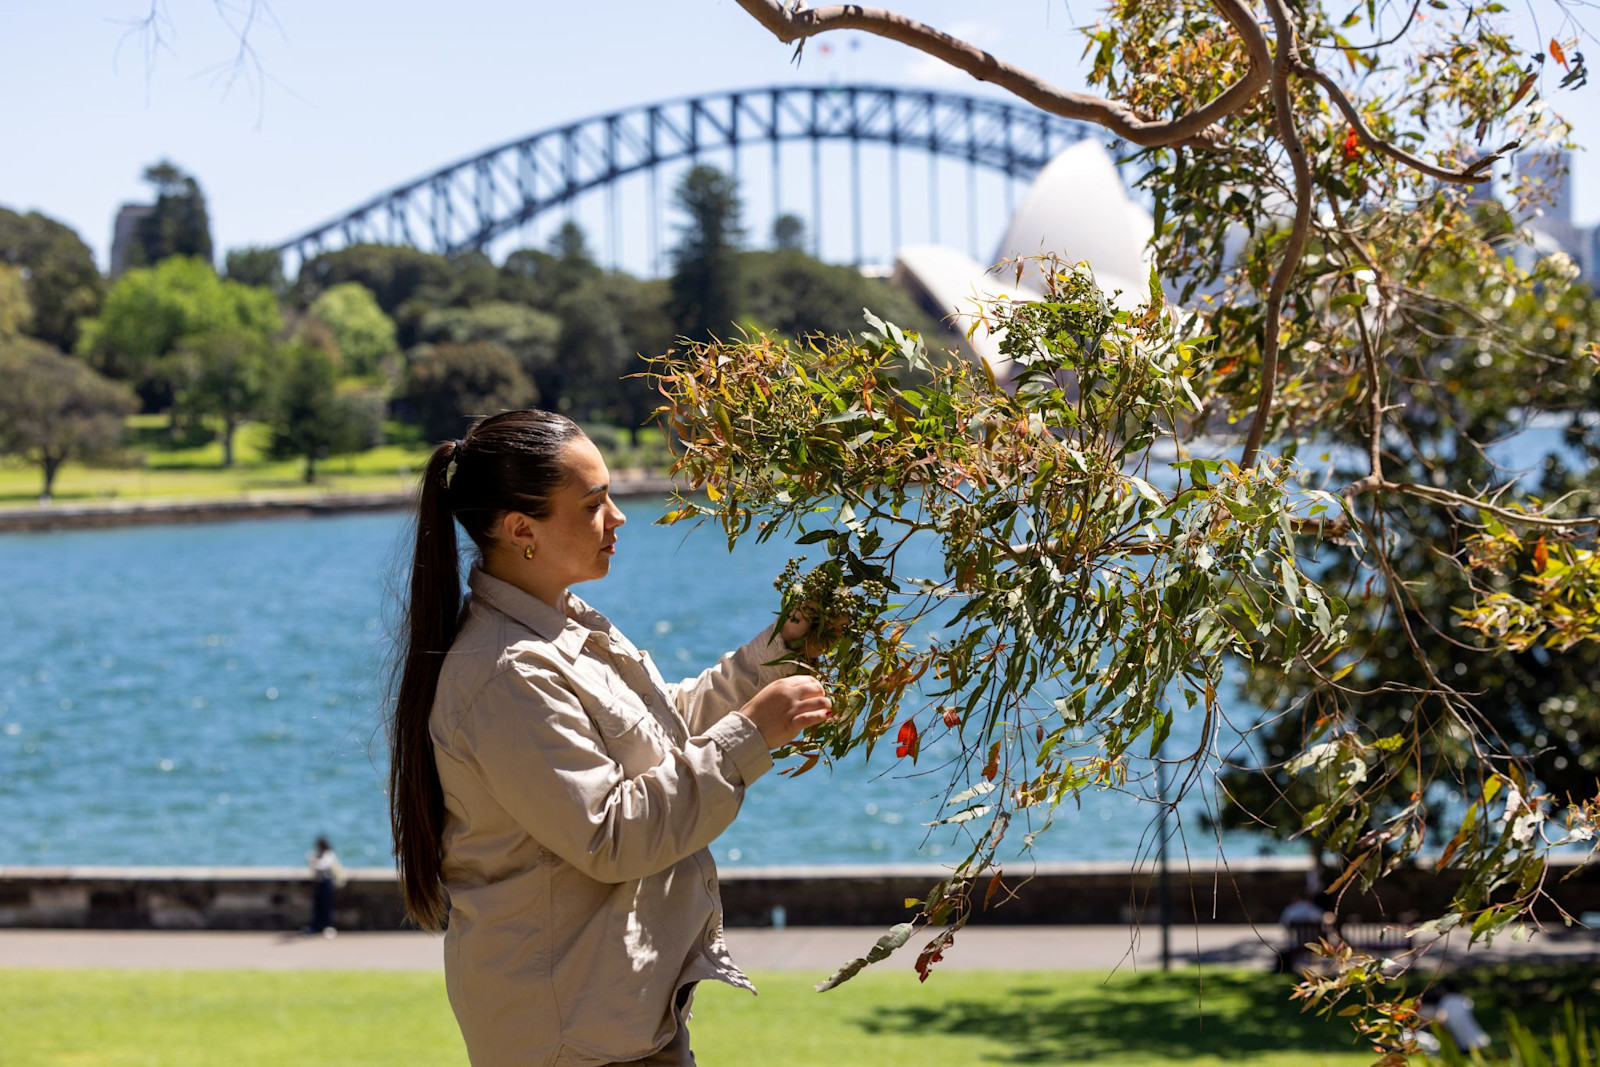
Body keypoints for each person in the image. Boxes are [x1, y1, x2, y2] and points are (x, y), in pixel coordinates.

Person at [387, 409, 830, 1066]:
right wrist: (752, 733)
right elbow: (610, 832)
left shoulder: (559, 628)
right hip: (569, 1040)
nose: (618, 517)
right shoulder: (506, 671)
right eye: (593, 503)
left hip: (616, 1021)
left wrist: (782, 650)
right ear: (520, 530)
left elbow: (660, 733)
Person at [305, 836, 343, 938]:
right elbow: (312, 865)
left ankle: (328, 927)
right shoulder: (317, 855)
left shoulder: (329, 854)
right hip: (318, 884)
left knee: (327, 906)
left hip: (327, 884)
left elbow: (323, 865)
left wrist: (314, 862)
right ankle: (315, 926)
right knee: (317, 906)